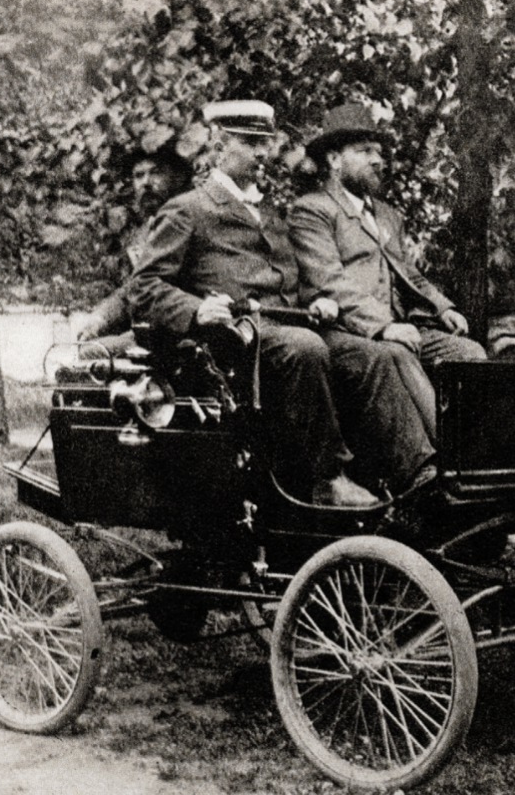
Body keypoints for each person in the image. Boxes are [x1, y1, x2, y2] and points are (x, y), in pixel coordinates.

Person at [129, 100, 435, 506]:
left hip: (289, 326)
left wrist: (320, 299)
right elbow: (144, 286)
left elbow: (293, 281)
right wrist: (195, 309)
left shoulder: (271, 214)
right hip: (234, 340)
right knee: (304, 348)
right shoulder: (188, 209)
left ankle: (417, 476)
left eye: (265, 143)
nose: (262, 153)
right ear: (220, 145)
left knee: (373, 353)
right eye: (250, 142)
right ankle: (328, 478)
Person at [288, 103, 487, 440]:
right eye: (365, 151)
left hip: (400, 328)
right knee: (394, 353)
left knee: (469, 354)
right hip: (345, 329)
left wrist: (443, 306)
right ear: (334, 160)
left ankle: (484, 450)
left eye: (379, 152)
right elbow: (328, 281)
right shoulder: (312, 210)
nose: (378, 160)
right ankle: (448, 456)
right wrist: (384, 327)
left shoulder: (387, 215)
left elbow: (409, 272)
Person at [75, 141, 194, 350]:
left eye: (156, 173)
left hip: (182, 332)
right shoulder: (143, 233)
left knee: (91, 356)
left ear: (177, 178)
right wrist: (99, 318)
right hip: (149, 332)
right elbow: (133, 288)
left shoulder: (188, 222)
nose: (146, 183)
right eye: (139, 175)